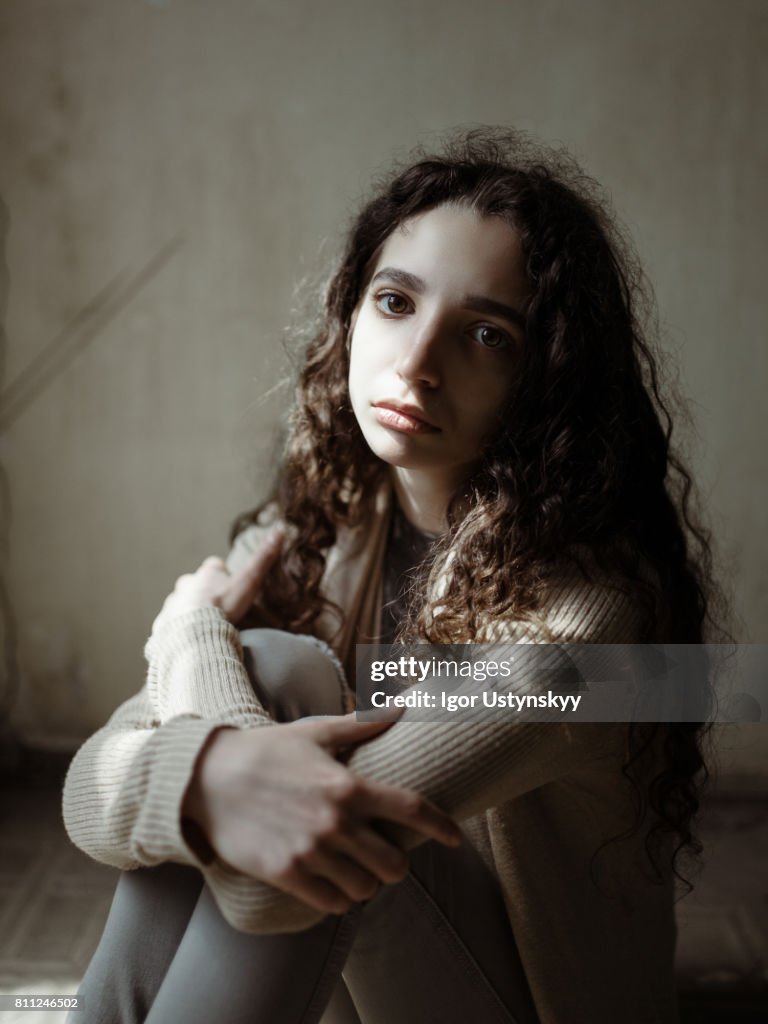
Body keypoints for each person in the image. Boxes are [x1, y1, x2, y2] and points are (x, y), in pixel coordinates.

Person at [62, 128, 724, 1024]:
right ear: (350, 316)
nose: (416, 365)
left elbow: (278, 890)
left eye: (486, 334)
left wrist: (188, 641)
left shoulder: (590, 627)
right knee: (279, 669)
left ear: (550, 381)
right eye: (395, 301)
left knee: (261, 745)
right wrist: (209, 769)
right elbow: (89, 795)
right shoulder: (318, 531)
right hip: (344, 990)